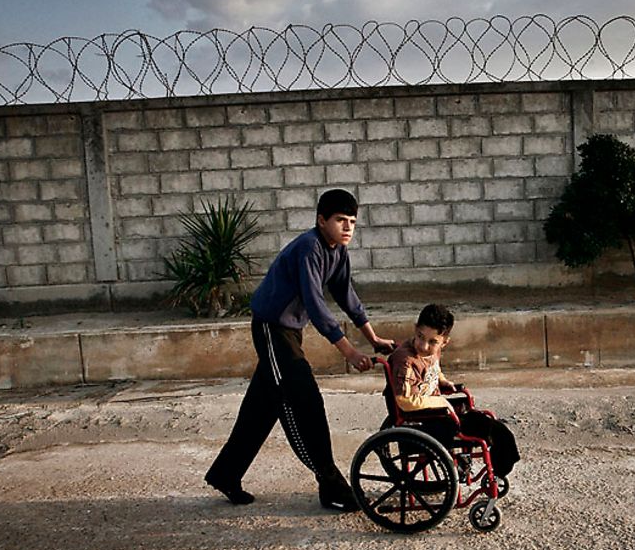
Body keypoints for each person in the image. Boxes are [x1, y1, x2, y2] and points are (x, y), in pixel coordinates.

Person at [205, 188, 394, 511]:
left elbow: (347, 297)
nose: (347, 227)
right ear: (321, 220)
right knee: (303, 399)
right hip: (271, 330)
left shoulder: (338, 251)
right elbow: (316, 305)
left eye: (352, 221)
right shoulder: (309, 248)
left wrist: (373, 338)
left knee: (260, 409)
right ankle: (330, 483)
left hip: (290, 333)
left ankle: (226, 474)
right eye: (340, 220)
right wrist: (349, 351)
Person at [387, 304, 520, 478]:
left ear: (444, 342)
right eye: (420, 337)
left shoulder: (434, 352)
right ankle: (481, 468)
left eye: (433, 341)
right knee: (480, 429)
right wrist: (441, 402)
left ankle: (500, 470)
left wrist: (443, 381)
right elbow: (405, 400)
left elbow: (434, 369)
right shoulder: (405, 360)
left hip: (437, 411)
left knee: (493, 427)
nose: (424, 346)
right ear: (415, 329)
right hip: (419, 418)